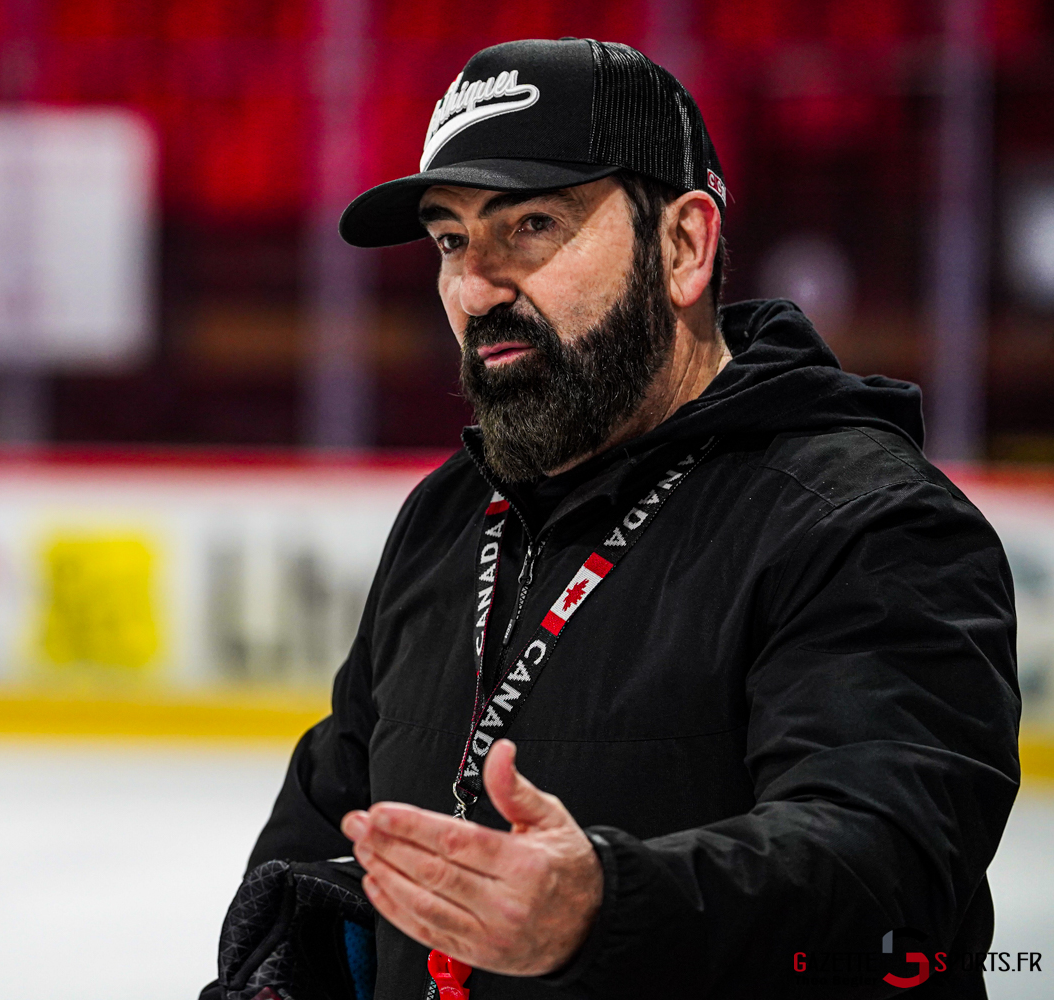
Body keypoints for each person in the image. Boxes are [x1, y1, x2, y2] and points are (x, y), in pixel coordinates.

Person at [213, 38, 1020, 999]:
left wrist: (604, 909)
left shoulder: (864, 523)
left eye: (532, 225)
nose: (475, 288)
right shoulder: (449, 515)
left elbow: (888, 869)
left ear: (684, 246)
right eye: (451, 240)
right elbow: (321, 835)